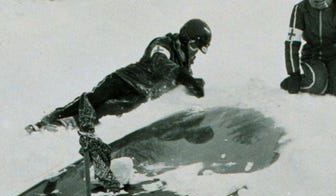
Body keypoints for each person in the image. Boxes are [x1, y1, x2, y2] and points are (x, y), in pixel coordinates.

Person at [27, 18, 212, 132]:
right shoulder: (163, 44)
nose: (194, 52)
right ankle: (49, 120)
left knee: (109, 110)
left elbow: (180, 84)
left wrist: (193, 87)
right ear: (185, 39)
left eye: (198, 50)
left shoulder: (185, 67)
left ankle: (72, 124)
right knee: (94, 100)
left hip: (139, 94)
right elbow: (159, 61)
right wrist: (185, 78)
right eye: (193, 47)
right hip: (123, 80)